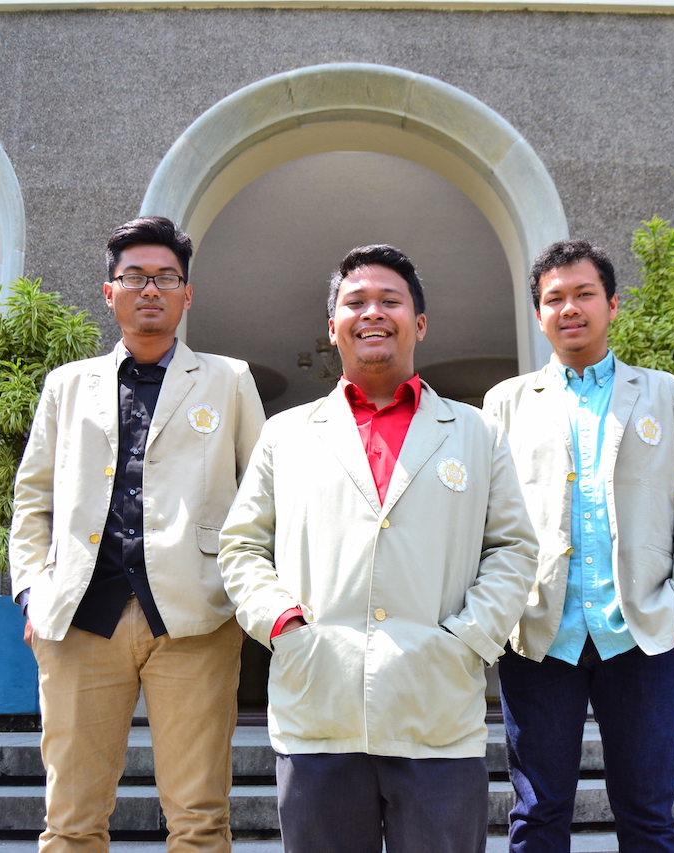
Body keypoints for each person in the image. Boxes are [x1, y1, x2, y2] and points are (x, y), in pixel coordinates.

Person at [219, 244, 537, 853]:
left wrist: (467, 638)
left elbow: (514, 548)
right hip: (321, 707)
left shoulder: (476, 432)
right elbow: (242, 545)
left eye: (390, 301)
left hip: (436, 711)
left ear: (419, 323)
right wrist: (284, 626)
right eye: (355, 302)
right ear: (332, 326)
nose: (372, 312)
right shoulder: (286, 434)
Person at [9, 215, 265, 853]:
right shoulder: (68, 385)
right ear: (110, 292)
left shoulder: (229, 380)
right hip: (79, 617)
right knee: (71, 820)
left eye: (165, 278)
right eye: (135, 277)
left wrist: (248, 597)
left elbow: (262, 497)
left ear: (187, 293)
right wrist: (31, 593)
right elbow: (33, 496)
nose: (150, 289)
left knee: (200, 819)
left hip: (195, 619)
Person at [483, 239, 674, 852]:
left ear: (612, 304)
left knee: (649, 814)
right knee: (538, 814)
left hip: (639, 630)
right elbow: (487, 515)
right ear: (539, 314)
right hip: (539, 633)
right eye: (554, 298)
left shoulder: (666, 394)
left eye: (584, 294)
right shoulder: (505, 402)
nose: (570, 308)